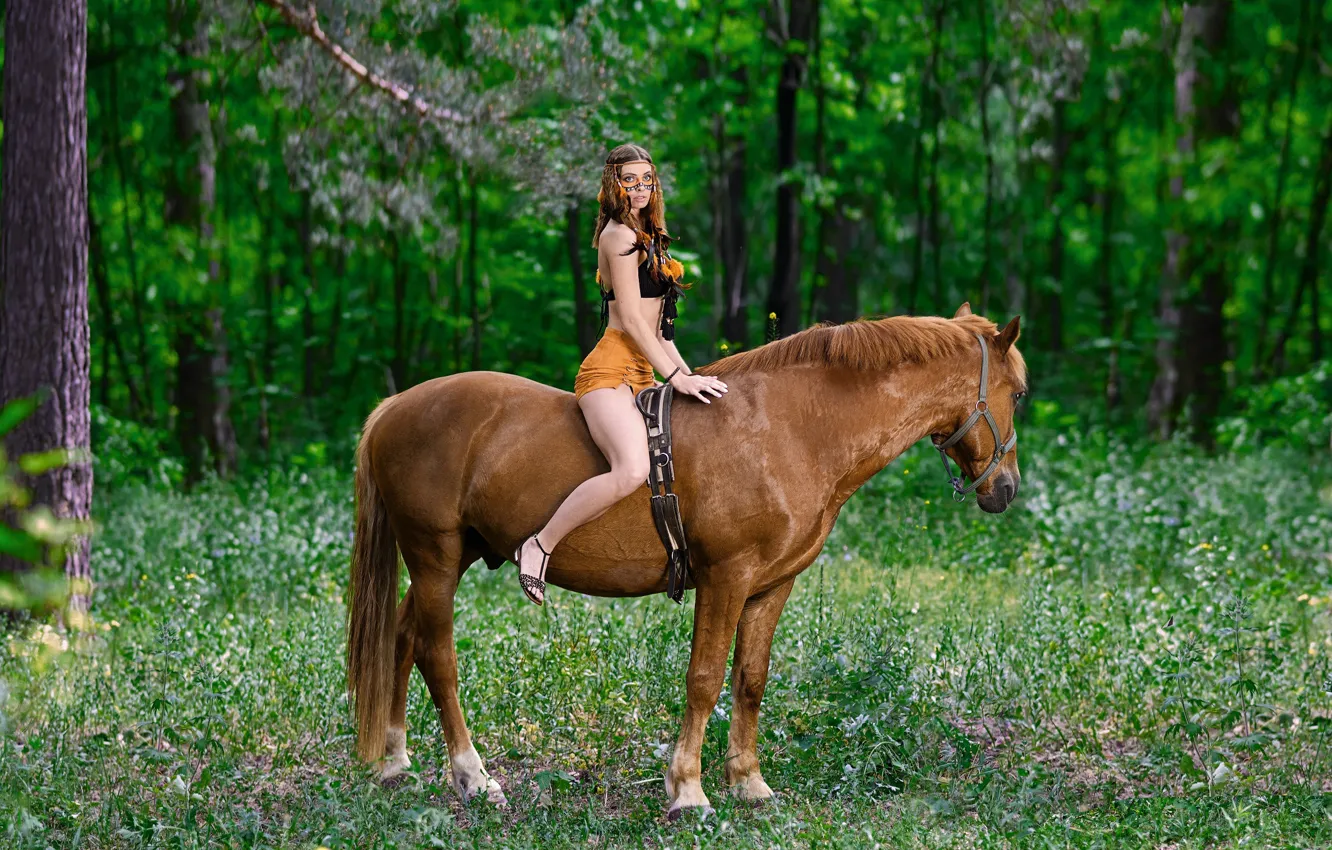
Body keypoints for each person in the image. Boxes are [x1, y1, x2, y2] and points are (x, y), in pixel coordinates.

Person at [512, 144, 729, 605]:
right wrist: (677, 379)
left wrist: (690, 379)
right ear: (613, 184)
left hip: (645, 373)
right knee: (632, 467)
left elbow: (660, 335)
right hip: (608, 373)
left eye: (646, 179)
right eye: (629, 179)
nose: (640, 188)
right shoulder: (617, 236)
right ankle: (539, 546)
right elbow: (631, 320)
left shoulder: (650, 236)